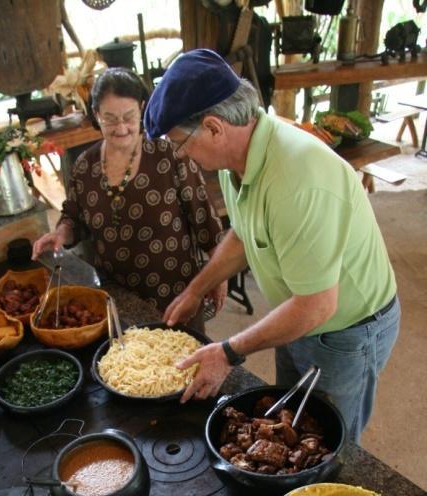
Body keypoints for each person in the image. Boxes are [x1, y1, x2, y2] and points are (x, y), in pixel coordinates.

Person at [143, 49, 400, 442]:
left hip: (347, 329)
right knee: (289, 427)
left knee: (330, 445)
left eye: (181, 144)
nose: (182, 156)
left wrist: (226, 352)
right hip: (297, 315)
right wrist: (196, 288)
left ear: (213, 128)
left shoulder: (297, 178)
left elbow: (316, 305)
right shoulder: (237, 161)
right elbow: (246, 233)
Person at [32, 67, 227, 331]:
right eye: (110, 118)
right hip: (118, 299)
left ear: (143, 108)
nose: (121, 127)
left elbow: (205, 220)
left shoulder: (169, 154)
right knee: (129, 367)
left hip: (176, 295)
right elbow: (74, 218)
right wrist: (60, 234)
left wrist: (219, 276)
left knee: (184, 366)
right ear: (96, 114)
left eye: (128, 116)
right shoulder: (84, 166)